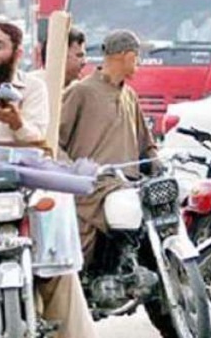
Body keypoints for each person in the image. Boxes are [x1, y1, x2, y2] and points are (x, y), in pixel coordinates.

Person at [0, 22, 97, 338]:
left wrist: (16, 122)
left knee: (57, 255)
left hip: (24, 187)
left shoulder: (33, 88)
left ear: (17, 52)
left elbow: (38, 138)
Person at [58, 29, 158, 263]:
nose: (139, 63)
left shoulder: (130, 95)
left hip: (129, 187)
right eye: (136, 56)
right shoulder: (81, 92)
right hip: (93, 190)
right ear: (123, 56)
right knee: (81, 263)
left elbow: (147, 144)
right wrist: (75, 173)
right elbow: (54, 142)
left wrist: (157, 163)